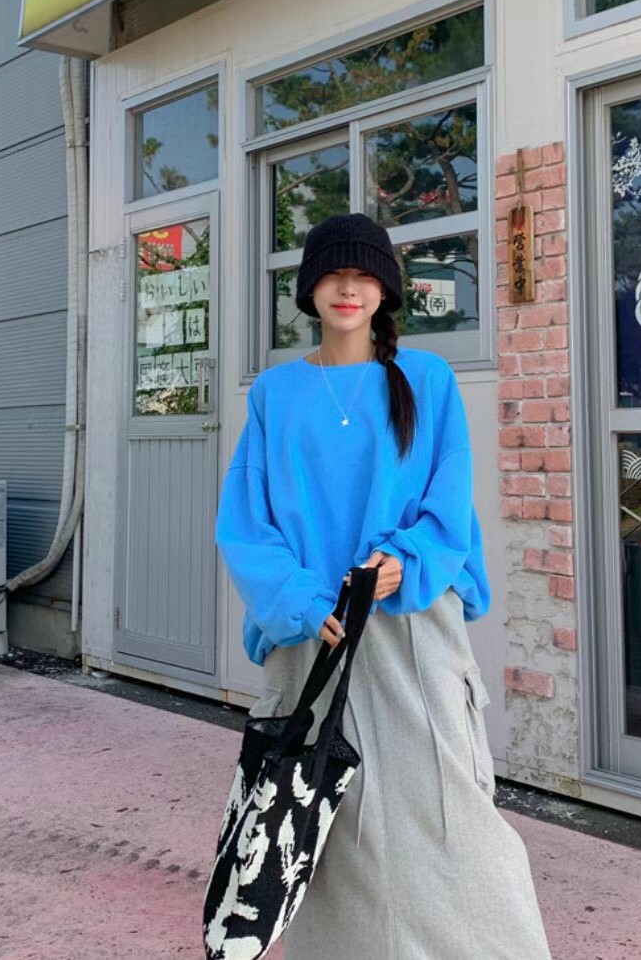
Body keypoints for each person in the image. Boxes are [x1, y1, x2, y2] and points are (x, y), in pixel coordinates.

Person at [215, 213, 552, 959]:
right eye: (334, 274)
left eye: (364, 275)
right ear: (309, 289)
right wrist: (304, 603)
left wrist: (408, 560)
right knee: (323, 838)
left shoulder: (426, 381)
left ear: (385, 291)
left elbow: (449, 504)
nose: (348, 288)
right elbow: (246, 526)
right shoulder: (275, 394)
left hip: (411, 635)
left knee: (452, 825)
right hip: (312, 641)